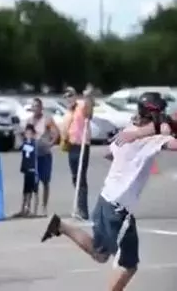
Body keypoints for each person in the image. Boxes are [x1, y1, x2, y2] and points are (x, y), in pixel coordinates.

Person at [41, 92, 177, 291]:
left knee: (100, 253)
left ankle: (61, 226)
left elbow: (108, 153)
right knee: (128, 265)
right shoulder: (150, 138)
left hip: (106, 201)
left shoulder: (128, 130)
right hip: (118, 210)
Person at [60, 86, 94, 220]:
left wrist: (88, 97)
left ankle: (83, 209)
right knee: (75, 176)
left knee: (81, 176)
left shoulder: (81, 106)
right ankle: (79, 206)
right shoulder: (68, 112)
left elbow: (89, 114)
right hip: (71, 146)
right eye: (66, 96)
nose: (69, 98)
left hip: (82, 144)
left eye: (70, 95)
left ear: (75, 96)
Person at [26, 98, 59, 216]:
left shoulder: (47, 119)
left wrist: (50, 143)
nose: (35, 108)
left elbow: (56, 132)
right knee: (34, 182)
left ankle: (44, 207)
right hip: (33, 156)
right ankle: (34, 208)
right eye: (33, 106)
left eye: (37, 106)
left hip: (45, 155)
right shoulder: (29, 120)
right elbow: (27, 135)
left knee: (45, 181)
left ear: (41, 108)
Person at [13, 124, 39, 217]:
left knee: (32, 191)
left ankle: (32, 210)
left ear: (33, 134)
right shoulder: (26, 143)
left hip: (33, 170)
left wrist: (18, 134)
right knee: (25, 191)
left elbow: (25, 147)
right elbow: (17, 146)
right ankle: (23, 209)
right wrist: (17, 134)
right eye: (27, 133)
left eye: (30, 133)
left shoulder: (34, 144)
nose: (28, 135)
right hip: (26, 170)